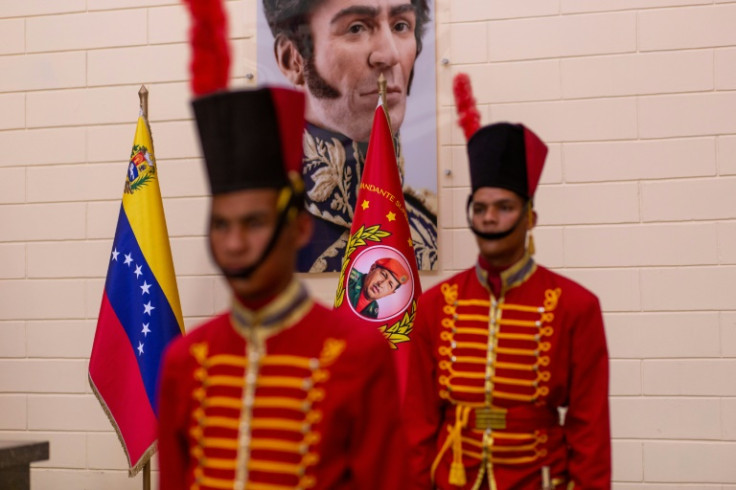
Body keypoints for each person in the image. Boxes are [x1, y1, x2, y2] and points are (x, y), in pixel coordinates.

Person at [157, 86, 409, 490]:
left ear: (300, 229)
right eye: (222, 225)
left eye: (254, 223)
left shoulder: (359, 353)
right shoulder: (184, 360)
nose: (235, 244)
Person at [402, 121, 611, 488]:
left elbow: (589, 426)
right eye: (480, 207)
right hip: (455, 477)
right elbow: (417, 422)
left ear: (530, 218)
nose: (489, 218)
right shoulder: (435, 305)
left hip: (537, 478)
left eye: (504, 207)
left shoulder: (577, 306)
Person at [262, 0, 438, 272]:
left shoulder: (431, 220)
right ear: (292, 59)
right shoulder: (267, 235)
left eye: (401, 26)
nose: (389, 55)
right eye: (356, 28)